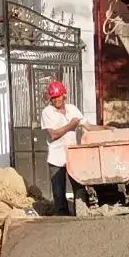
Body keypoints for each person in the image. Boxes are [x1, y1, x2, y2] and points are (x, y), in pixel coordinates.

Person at [39, 79, 82, 216]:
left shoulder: (72, 109)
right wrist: (71, 125)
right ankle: (62, 220)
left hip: (73, 156)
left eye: (58, 96)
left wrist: (108, 129)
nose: (56, 100)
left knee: (79, 188)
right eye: (53, 98)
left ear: (64, 95)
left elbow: (88, 126)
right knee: (59, 193)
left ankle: (80, 215)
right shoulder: (47, 112)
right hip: (56, 158)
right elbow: (53, 135)